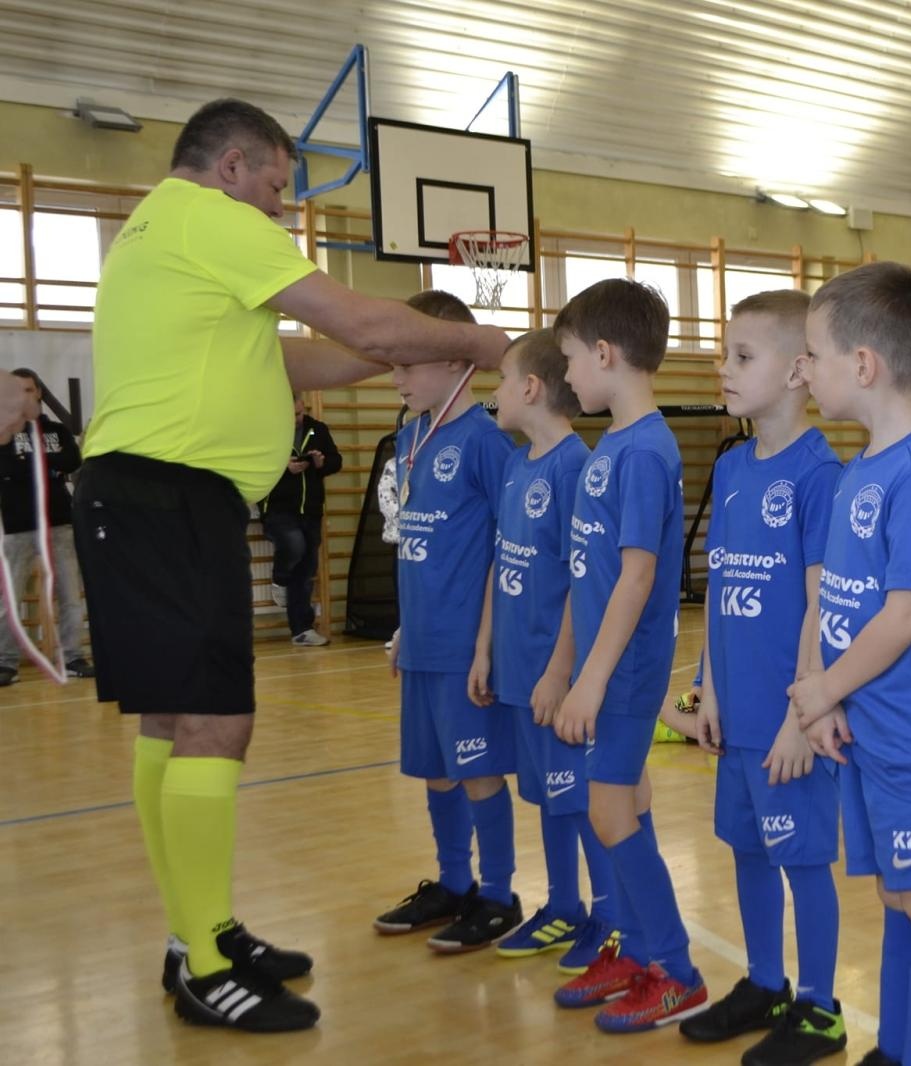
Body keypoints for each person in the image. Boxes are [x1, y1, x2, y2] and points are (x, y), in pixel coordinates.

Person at [75, 98, 509, 1033]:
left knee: (173, 718)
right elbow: (368, 325)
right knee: (216, 723)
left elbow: (296, 360)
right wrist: (474, 343)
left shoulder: (165, 228)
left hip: (147, 498)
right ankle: (202, 961)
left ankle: (202, 932)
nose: (279, 206)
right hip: (164, 497)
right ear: (232, 166)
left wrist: (400, 353)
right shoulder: (212, 218)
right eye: (276, 184)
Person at [787, 261, 911, 1066]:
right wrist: (829, 703)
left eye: (813, 354)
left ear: (862, 365)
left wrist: (823, 690)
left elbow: (904, 617)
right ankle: (896, 1049)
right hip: (867, 721)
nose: (805, 369)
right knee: (897, 892)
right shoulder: (860, 469)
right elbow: (838, 607)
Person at [679, 289, 849, 1063]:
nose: (724, 368)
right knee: (746, 850)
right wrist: (710, 684)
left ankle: (819, 1006)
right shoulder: (734, 465)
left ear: (798, 372)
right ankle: (764, 981)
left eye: (742, 356)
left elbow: (821, 603)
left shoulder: (820, 474)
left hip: (790, 720)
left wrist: (801, 717)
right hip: (737, 709)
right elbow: (719, 586)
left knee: (802, 861)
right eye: (723, 353)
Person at [550, 277, 707, 1032]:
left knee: (607, 809)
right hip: (606, 663)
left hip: (628, 665)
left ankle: (675, 968)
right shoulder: (612, 443)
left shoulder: (646, 450)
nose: (568, 375)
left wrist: (591, 681)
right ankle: (641, 950)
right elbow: (593, 574)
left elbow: (639, 577)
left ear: (606, 353)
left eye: (572, 359)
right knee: (626, 802)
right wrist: (565, 667)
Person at [374, 291, 520, 953]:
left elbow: (505, 550)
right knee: (436, 768)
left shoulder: (487, 442)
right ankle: (454, 882)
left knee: (478, 769)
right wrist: (407, 626)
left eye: (408, 362)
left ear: (458, 361)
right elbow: (416, 546)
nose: (396, 376)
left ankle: (498, 893)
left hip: (467, 645)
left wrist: (487, 644)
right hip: (424, 640)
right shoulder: (409, 438)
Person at [473, 329, 618, 974]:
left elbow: (581, 582)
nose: (493, 394)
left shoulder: (577, 468)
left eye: (500, 380)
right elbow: (501, 563)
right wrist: (485, 652)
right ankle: (563, 905)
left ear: (530, 389)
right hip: (514, 668)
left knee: (579, 796)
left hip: (553, 675)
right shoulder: (514, 463)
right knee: (548, 796)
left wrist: (559, 674)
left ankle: (611, 916)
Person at [0, 368, 93, 684]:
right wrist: (43, 465)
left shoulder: (57, 429)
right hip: (19, 524)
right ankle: (6, 663)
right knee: (9, 598)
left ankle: (73, 658)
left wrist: (33, 464)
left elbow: (73, 460)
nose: (25, 395)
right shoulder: (5, 429)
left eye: (30, 389)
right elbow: (7, 466)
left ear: (39, 392)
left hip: (59, 522)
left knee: (70, 595)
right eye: (19, 390)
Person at [259, 393, 341, 646]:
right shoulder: (266, 431)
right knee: (293, 544)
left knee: (306, 569)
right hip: (278, 508)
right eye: (293, 414)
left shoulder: (317, 429)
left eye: (300, 412)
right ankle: (279, 578)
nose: (298, 418)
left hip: (311, 509)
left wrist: (320, 463)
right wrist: (283, 466)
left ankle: (302, 629)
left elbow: (336, 463)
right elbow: (255, 464)